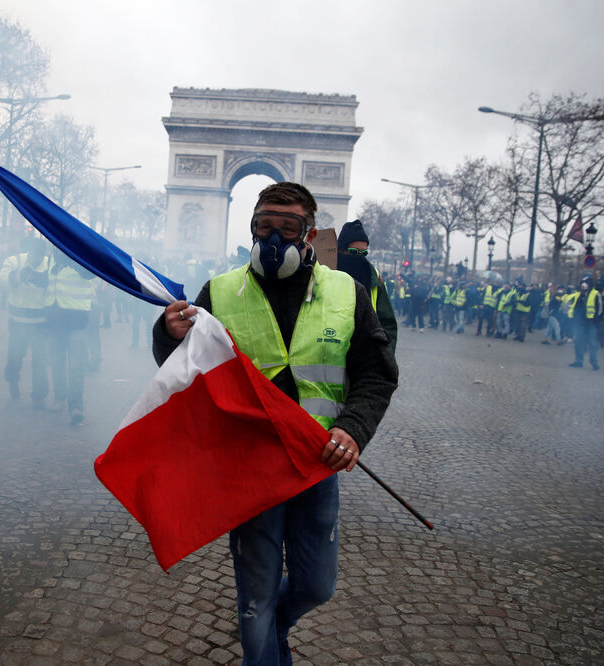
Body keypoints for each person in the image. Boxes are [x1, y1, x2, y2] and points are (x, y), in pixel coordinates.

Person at [153, 182, 398, 665]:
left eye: (287, 227)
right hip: (248, 467)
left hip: (315, 463)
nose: (273, 237)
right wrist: (167, 333)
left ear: (309, 234)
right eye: (264, 225)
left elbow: (377, 372)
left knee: (316, 586)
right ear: (251, 227)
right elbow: (183, 369)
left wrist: (353, 428)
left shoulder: (346, 292)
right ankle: (264, 645)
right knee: (255, 599)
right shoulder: (219, 292)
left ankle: (275, 630)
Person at [0, 236, 53, 404]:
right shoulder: (14, 261)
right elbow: (1, 281)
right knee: (15, 357)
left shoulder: (49, 264)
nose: (38, 260)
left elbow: (56, 285)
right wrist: (18, 277)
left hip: (41, 322)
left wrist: (46, 281)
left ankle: (39, 397)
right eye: (36, 256)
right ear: (30, 251)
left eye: (41, 256)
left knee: (40, 361)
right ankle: (13, 382)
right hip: (18, 321)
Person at [45, 252, 94, 425]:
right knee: (57, 363)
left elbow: (90, 273)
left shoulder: (80, 255)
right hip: (55, 321)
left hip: (76, 321)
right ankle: (59, 398)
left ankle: (76, 407)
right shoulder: (51, 259)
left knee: (76, 366)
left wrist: (70, 261)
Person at [335, 219, 398, 350]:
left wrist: (385, 355)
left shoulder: (373, 276)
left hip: (364, 353)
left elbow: (387, 323)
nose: (359, 257)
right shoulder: (324, 273)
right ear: (340, 250)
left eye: (364, 253)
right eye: (354, 252)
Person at [567, 273, 603, 370]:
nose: (583, 285)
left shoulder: (595, 294)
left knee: (592, 343)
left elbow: (600, 308)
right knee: (578, 342)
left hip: (591, 323)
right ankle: (579, 361)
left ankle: (594, 362)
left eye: (585, 283)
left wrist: (596, 319)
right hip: (580, 322)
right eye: (582, 283)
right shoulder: (579, 294)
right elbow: (574, 306)